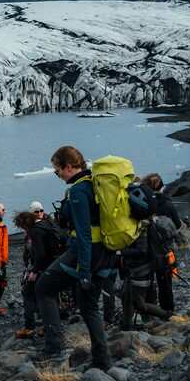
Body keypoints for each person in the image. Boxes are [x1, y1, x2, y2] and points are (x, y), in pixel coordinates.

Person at [36, 145, 117, 369]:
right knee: (88, 305)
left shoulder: (79, 191)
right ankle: (103, 360)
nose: (58, 175)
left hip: (87, 253)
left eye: (57, 170)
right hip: (105, 252)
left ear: (69, 167)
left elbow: (83, 232)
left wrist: (84, 270)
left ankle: (54, 349)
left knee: (43, 288)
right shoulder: (95, 183)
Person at [13, 208, 61, 338]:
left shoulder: (35, 231)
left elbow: (40, 254)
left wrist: (34, 271)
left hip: (43, 267)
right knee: (51, 295)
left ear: (24, 224)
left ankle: (29, 327)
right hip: (55, 264)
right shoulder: (46, 224)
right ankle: (51, 325)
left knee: (28, 293)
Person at [142, 173, 180, 314]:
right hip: (165, 248)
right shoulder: (168, 204)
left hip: (147, 247)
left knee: (148, 280)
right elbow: (176, 224)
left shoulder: (143, 203)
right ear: (161, 186)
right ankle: (168, 310)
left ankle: (150, 310)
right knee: (165, 281)